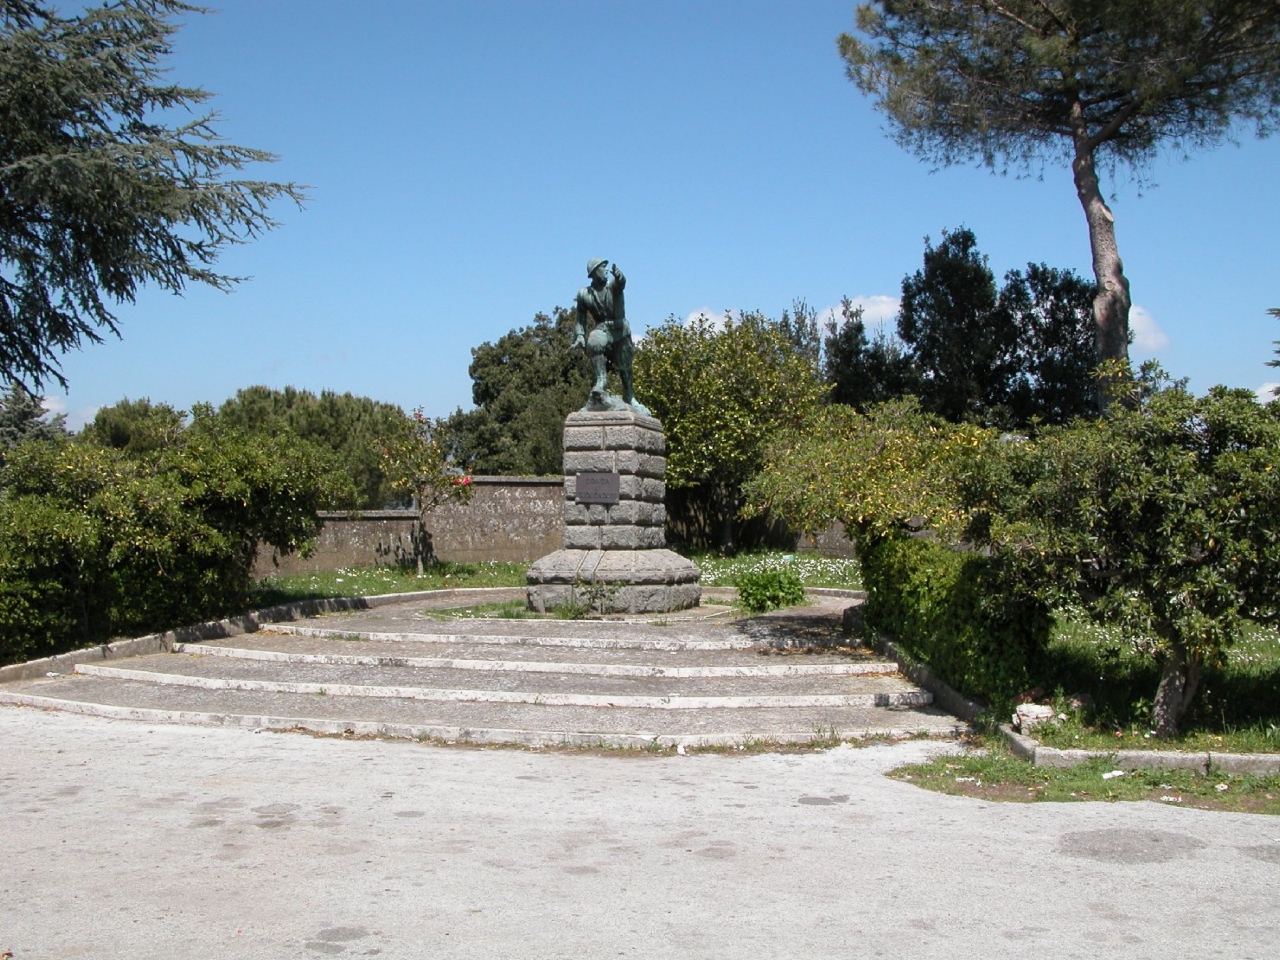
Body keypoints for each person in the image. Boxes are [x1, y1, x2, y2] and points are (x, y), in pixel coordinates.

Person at [573, 258, 645, 412]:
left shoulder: (613, 285)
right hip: (602, 329)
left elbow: (621, 283)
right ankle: (601, 381)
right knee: (593, 342)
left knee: (625, 366)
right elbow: (580, 318)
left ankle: (629, 397)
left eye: (607, 268)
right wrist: (580, 335)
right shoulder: (584, 294)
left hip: (620, 329)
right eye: (603, 268)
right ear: (594, 272)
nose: (606, 271)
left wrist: (620, 276)